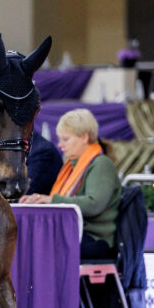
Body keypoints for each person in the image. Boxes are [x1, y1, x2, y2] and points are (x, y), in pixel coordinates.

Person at [19, 108, 121, 260]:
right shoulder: (72, 166)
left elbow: (94, 204)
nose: (60, 145)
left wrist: (51, 200)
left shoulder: (101, 164)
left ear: (84, 138)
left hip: (94, 239)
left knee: (35, 245)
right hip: (75, 233)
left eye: (65, 139)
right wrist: (38, 201)